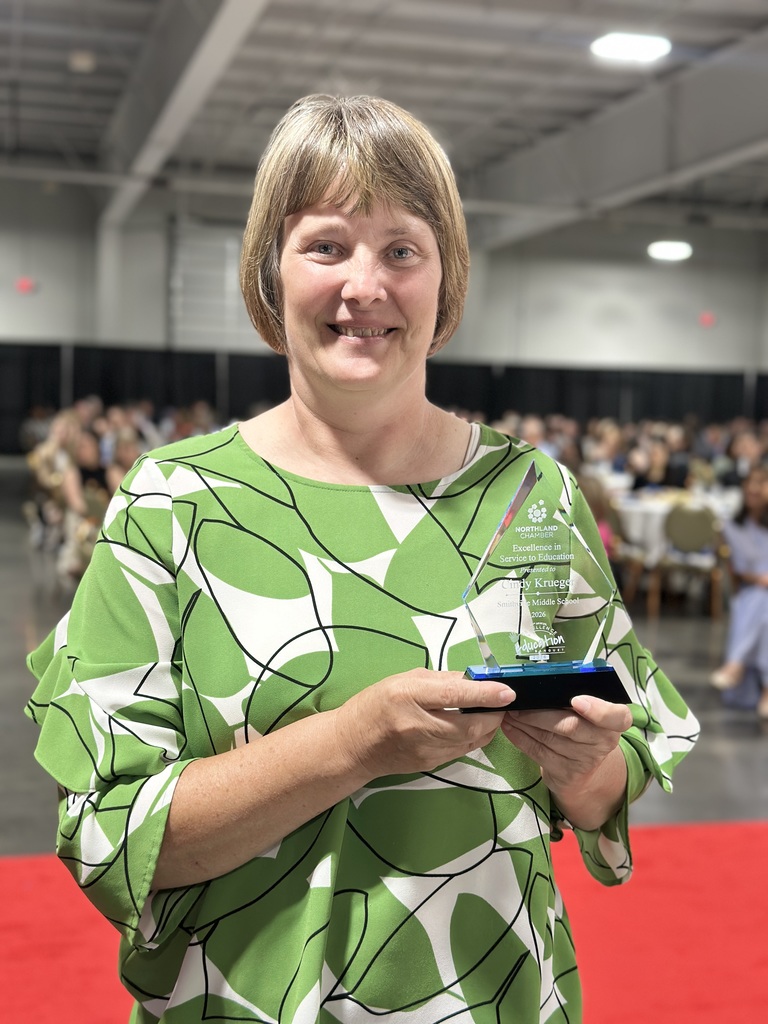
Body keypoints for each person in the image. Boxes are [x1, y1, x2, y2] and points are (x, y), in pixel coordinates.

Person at [25, 94, 698, 1024]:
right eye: (328, 245)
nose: (365, 286)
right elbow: (109, 838)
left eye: (402, 250)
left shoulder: (531, 495)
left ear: (444, 279)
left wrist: (584, 765)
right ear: (272, 271)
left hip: (493, 992)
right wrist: (351, 745)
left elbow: (612, 777)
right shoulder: (172, 503)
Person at [710, 464, 768, 717]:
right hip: (754, 589)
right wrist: (759, 578)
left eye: (761, 483)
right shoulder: (733, 526)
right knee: (763, 603)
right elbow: (737, 568)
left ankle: (736, 663)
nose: (754, 489)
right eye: (750, 483)